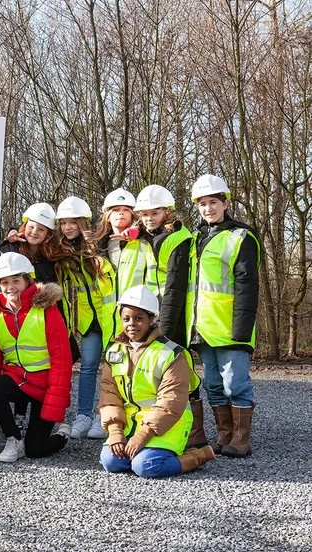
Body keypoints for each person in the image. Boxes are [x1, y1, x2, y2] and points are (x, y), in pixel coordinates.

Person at [99, 285, 215, 477]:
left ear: (152, 319)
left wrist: (143, 436)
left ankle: (198, 455)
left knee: (145, 466)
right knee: (111, 462)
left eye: (139, 318)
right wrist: (115, 432)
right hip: (131, 424)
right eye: (126, 319)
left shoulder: (172, 354)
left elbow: (171, 402)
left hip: (169, 425)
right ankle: (140, 453)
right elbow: (109, 396)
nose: (131, 324)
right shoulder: (114, 352)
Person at [186, 175, 260, 458]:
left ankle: (241, 438)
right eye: (202, 204)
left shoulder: (241, 236)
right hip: (202, 327)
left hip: (229, 326)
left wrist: (242, 329)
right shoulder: (195, 239)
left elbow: (247, 286)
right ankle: (225, 435)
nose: (208, 209)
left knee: (235, 383)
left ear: (225, 203)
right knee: (213, 384)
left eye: (213, 202)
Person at [0, 252, 73, 463]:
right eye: (4, 282)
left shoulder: (47, 311)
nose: (10, 287)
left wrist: (54, 404)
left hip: (44, 386)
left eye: (16, 281)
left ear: (27, 280)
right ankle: (14, 438)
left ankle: (62, 435)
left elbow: (62, 360)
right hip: (18, 383)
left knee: (36, 450)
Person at [130, 185, 204, 447]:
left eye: (155, 213)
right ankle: (151, 426)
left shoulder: (178, 238)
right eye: (145, 214)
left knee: (180, 368)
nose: (149, 218)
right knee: (149, 370)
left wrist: (167, 327)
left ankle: (194, 432)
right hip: (146, 314)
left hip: (171, 315)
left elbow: (175, 286)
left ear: (167, 212)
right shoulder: (140, 237)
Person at [54, 196, 116, 440]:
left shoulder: (101, 245)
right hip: (89, 321)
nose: (68, 227)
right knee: (88, 367)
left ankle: (107, 417)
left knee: (113, 369)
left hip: (112, 318)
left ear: (84, 222)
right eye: (64, 223)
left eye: (73, 222)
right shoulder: (62, 250)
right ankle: (83, 416)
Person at [94, 188, 140, 298]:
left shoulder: (142, 240)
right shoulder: (99, 245)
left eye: (126, 209)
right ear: (108, 217)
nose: (121, 212)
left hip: (137, 305)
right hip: (111, 309)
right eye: (115, 209)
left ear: (132, 215)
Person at [0, 203, 62, 284]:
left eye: (41, 230)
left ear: (48, 234)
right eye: (31, 227)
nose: (34, 232)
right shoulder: (11, 250)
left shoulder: (53, 255)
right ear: (25, 227)